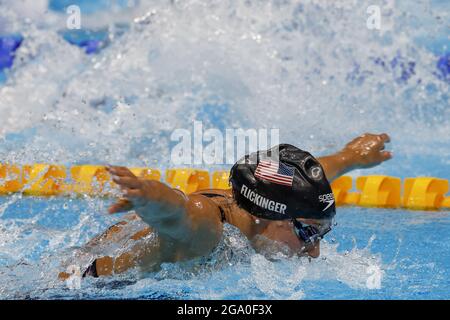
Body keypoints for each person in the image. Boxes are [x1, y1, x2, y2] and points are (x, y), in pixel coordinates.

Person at [59, 133, 391, 279]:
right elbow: (178, 212)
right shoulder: (211, 229)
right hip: (82, 289)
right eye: (307, 232)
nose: (314, 251)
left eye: (322, 232)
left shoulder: (268, 205)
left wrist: (352, 156)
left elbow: (309, 178)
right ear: (267, 216)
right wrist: (149, 195)